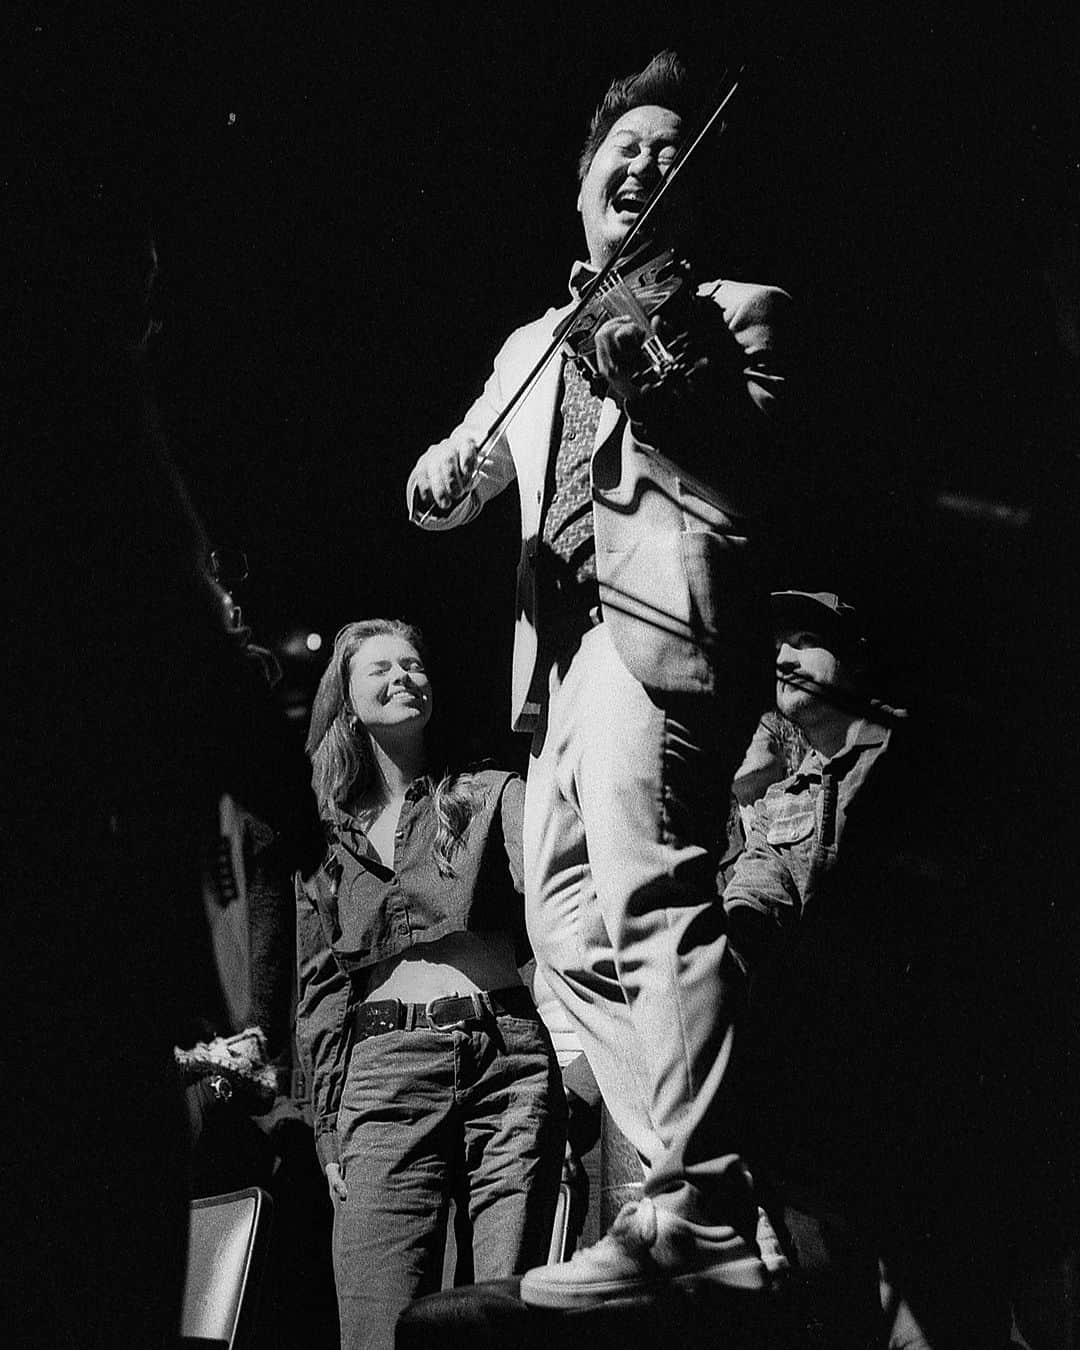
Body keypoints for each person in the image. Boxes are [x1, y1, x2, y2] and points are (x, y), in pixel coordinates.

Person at [406, 51, 793, 1307]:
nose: (641, 161)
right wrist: (441, 480)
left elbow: (735, 441)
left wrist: (652, 341)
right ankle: (708, 1189)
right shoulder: (532, 338)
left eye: (666, 149)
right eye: (622, 146)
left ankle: (704, 1209)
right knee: (568, 936)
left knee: (648, 894)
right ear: (584, 185)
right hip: (553, 668)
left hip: (653, 636)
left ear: (693, 190)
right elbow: (463, 462)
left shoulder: (738, 305)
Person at [723, 590, 1018, 1348]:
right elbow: (754, 905)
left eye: (807, 640)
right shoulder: (784, 800)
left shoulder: (921, 752)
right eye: (777, 644)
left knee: (935, 1318)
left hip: (931, 1085)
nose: (782, 657)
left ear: (855, 659)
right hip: (826, 1100)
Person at [295, 619, 566, 1350]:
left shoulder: (487, 793)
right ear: (347, 701)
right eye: (380, 667)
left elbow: (564, 914)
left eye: (414, 664)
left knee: (503, 1319)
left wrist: (577, 1055)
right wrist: (326, 1125)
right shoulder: (323, 836)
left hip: (505, 1060)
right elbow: (318, 989)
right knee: (375, 1322)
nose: (404, 675)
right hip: (383, 1076)